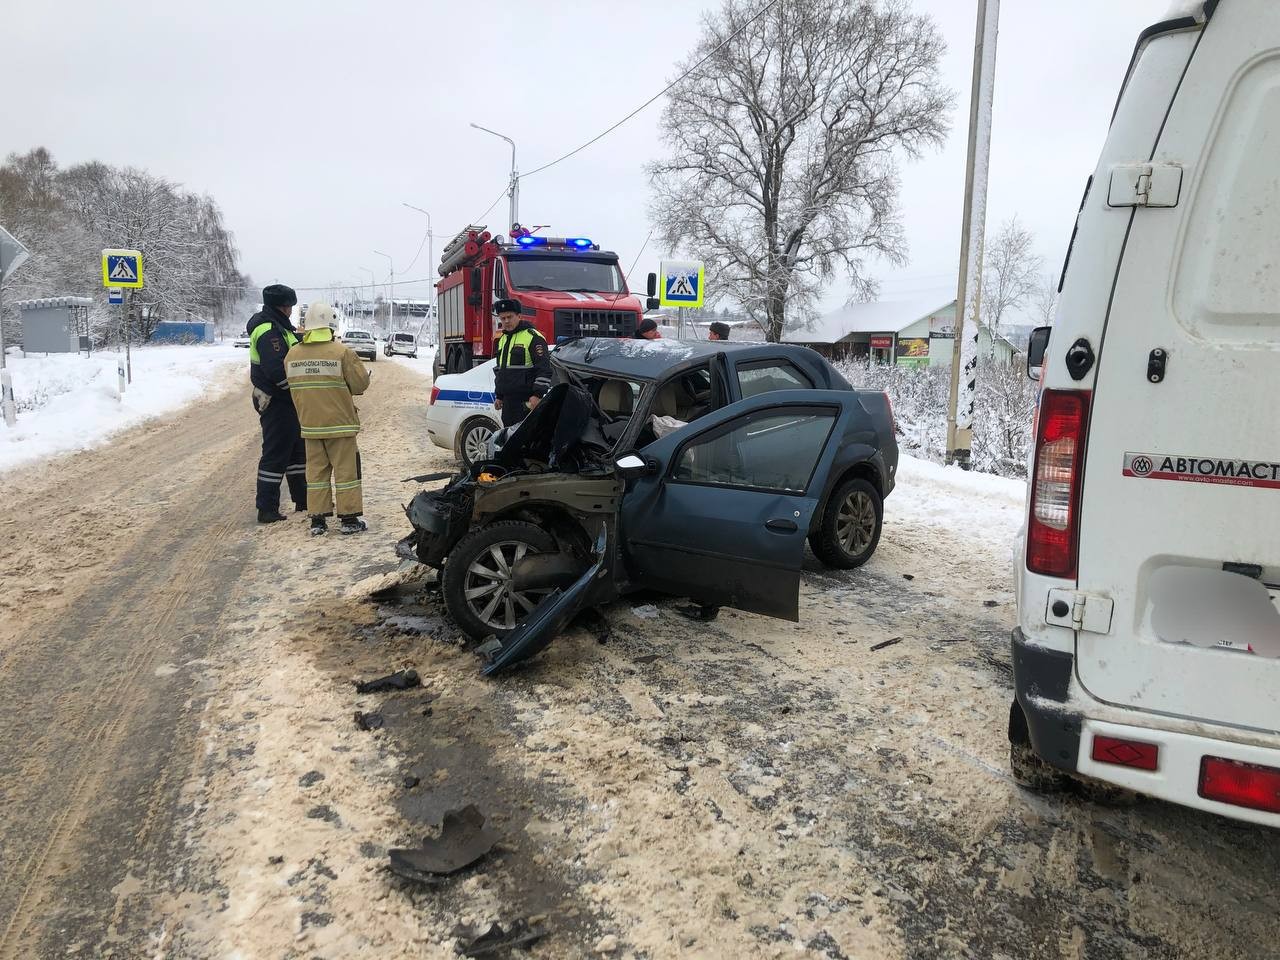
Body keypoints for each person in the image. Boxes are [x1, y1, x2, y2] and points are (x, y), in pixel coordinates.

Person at [284, 302, 372, 536]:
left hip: (310, 426)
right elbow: (360, 383)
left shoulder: (292, 354)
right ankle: (349, 519)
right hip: (340, 425)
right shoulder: (341, 353)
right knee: (346, 474)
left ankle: (318, 521)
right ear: (331, 327)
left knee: (316, 474)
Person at [248, 284, 307, 523]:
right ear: (282, 306)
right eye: (289, 306)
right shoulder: (268, 330)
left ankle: (303, 501)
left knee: (295, 453)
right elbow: (277, 369)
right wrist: (298, 392)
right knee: (275, 455)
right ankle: (267, 508)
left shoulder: (281, 327)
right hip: (278, 401)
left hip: (287, 402)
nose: (291, 310)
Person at [492, 298, 551, 428]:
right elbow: (501, 370)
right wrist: (499, 395)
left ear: (519, 316)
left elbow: (544, 368)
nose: (506, 321)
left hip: (526, 402)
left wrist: (537, 395)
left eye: (510, 317)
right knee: (509, 441)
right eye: (503, 318)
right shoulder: (502, 339)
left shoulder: (533, 337)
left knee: (527, 444)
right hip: (508, 404)